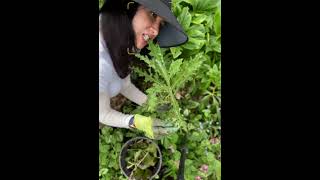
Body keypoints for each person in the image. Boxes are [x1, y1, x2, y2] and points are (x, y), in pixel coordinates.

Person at [99, 0, 188, 139]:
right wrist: (136, 122)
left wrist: (150, 102)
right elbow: (103, 114)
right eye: (152, 14)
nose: (156, 31)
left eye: (161, 23)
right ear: (128, 6)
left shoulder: (122, 40)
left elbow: (125, 85)